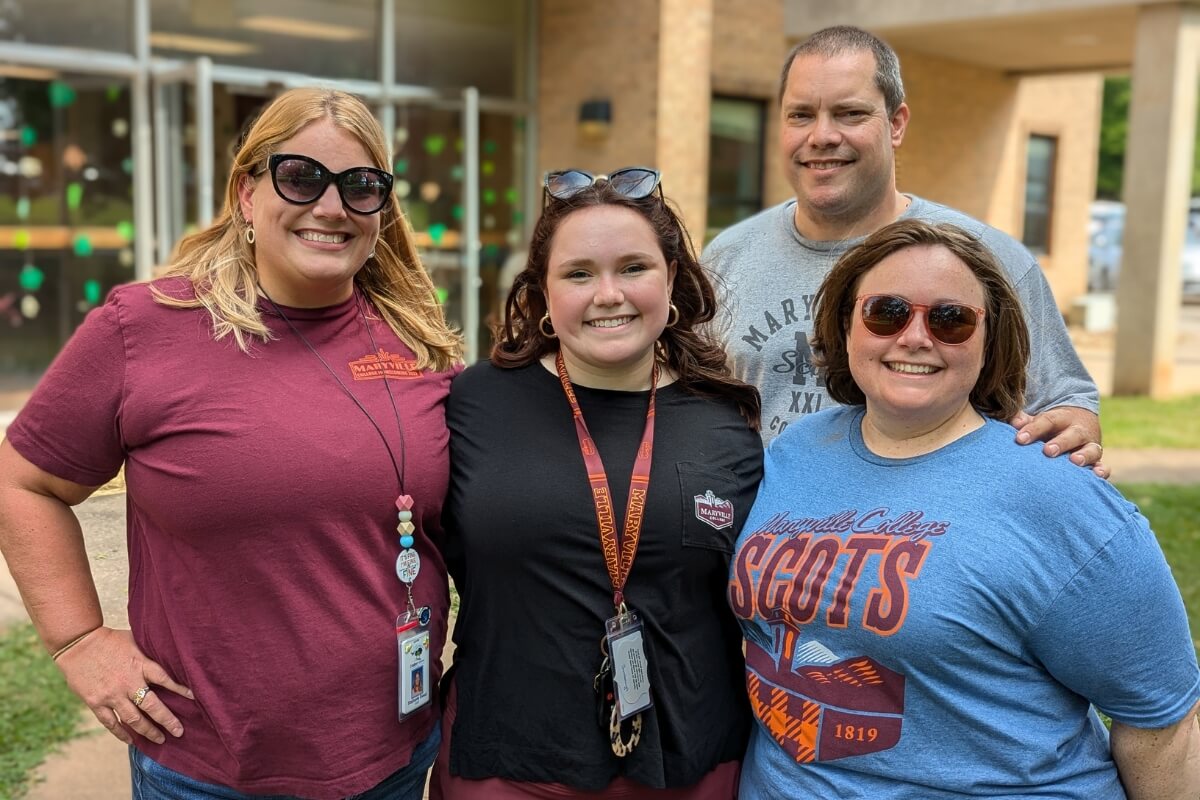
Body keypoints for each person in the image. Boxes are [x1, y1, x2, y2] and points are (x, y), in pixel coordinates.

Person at [0, 88, 462, 799]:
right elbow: (21, 482)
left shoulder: (421, 344)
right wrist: (79, 641)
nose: (332, 206)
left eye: (361, 186)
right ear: (246, 193)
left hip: (394, 757)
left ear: (382, 209)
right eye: (301, 177)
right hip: (209, 771)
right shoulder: (146, 327)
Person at [728, 219, 1200, 799]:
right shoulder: (794, 453)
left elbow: (1162, 719)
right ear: (845, 325)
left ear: (988, 341)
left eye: (951, 320)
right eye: (887, 312)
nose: (916, 336)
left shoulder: (1058, 494)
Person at [432, 168, 764, 798]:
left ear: (671, 283)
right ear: (543, 297)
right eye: (579, 273)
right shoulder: (473, 403)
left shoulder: (727, 421)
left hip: (690, 766)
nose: (608, 294)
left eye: (633, 268)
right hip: (507, 763)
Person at [704, 25, 1105, 473]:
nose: (821, 135)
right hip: (767, 533)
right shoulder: (727, 256)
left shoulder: (986, 259)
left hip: (929, 533)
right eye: (800, 115)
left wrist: (1073, 431)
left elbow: (1066, 403)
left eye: (850, 113)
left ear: (896, 124)